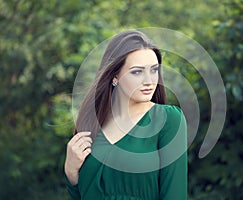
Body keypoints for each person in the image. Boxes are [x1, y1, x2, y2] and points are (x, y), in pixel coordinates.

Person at [64, 30, 188, 200]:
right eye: (137, 72)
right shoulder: (91, 124)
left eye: (154, 70)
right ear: (115, 76)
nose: (149, 80)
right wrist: (71, 173)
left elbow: (175, 195)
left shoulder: (168, 120)